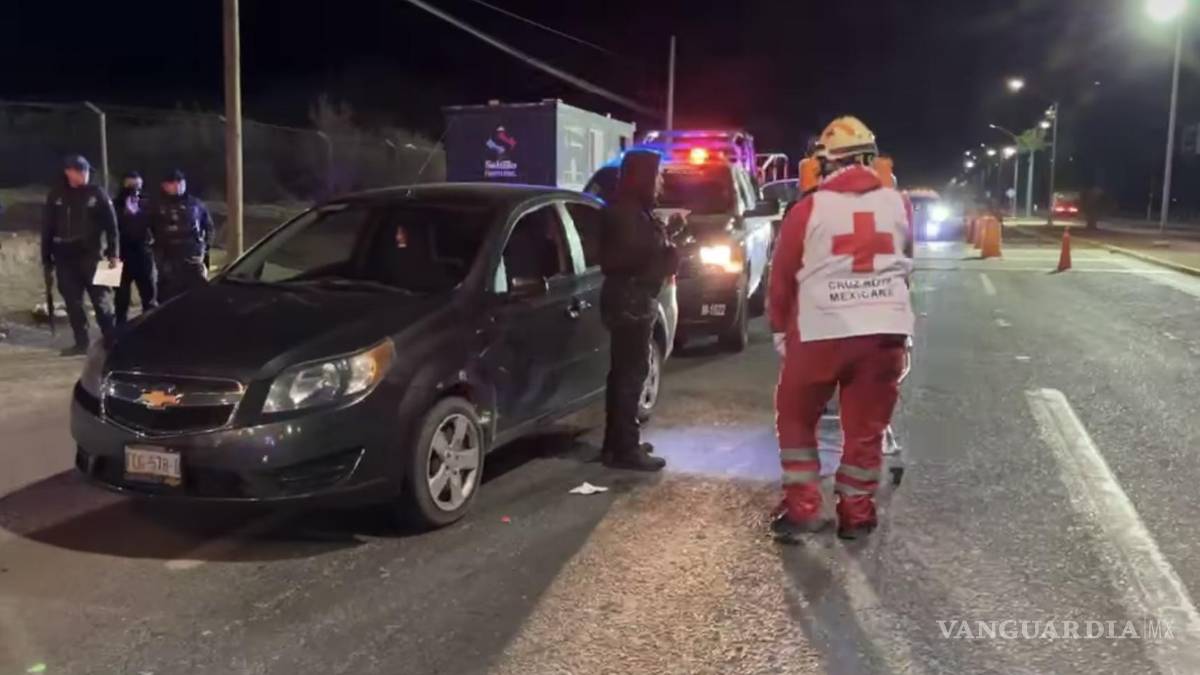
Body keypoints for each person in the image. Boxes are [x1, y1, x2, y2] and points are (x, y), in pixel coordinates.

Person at [768, 116, 915, 542]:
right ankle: (857, 513)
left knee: (797, 418)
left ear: (825, 163)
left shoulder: (806, 210)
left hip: (820, 332)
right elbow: (906, 265)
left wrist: (779, 328)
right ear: (871, 159)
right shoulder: (900, 205)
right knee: (866, 429)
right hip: (883, 333)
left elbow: (783, 276)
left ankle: (803, 509)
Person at [599, 150, 678, 472]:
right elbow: (635, 258)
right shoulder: (628, 214)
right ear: (642, 176)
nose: (660, 182)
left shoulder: (631, 211)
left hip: (628, 298)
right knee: (630, 375)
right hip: (631, 300)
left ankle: (616, 443)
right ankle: (625, 449)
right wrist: (667, 252)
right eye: (656, 175)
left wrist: (666, 235)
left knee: (624, 373)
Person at [41, 155, 120, 356]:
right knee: (73, 302)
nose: (83, 175)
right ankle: (81, 342)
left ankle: (112, 342)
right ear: (68, 172)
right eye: (78, 171)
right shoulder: (56, 195)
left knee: (102, 301)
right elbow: (47, 227)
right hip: (65, 255)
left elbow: (112, 227)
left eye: (85, 171)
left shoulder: (97, 194)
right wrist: (46, 256)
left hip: (93, 254)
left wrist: (114, 253)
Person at [149, 169, 213, 302]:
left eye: (180, 182)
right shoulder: (156, 205)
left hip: (192, 257)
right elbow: (148, 228)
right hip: (167, 258)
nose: (178, 186)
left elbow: (209, 227)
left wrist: (205, 247)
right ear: (165, 186)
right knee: (167, 295)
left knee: (197, 295)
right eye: (173, 183)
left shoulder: (196, 204)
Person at [113, 171, 157, 324]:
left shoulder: (147, 204)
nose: (134, 189)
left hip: (142, 253)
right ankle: (120, 330)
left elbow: (155, 226)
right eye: (130, 185)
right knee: (120, 299)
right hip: (119, 254)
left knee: (149, 296)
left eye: (137, 185)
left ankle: (151, 327)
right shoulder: (114, 204)